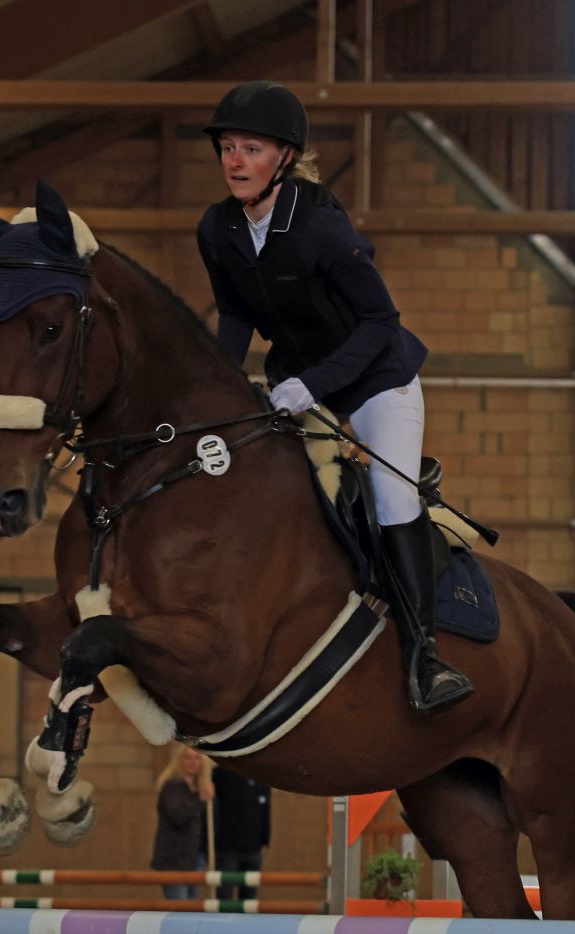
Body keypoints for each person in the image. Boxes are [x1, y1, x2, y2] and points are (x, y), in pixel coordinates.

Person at [196, 81, 472, 715]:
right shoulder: (218, 228)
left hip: (376, 379)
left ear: (285, 158)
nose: (235, 161)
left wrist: (314, 385)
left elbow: (380, 320)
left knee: (393, 497)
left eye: (252, 149)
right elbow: (235, 315)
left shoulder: (320, 225)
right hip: (297, 383)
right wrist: (215, 385)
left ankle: (425, 656)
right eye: (229, 148)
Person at [151, 745, 216, 934]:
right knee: (179, 909)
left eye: (196, 758)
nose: (192, 762)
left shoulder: (200, 788)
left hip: (194, 859)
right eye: (187, 758)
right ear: (179, 761)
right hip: (174, 860)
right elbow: (178, 816)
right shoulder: (172, 787)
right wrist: (201, 801)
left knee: (189, 909)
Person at [209, 763, 272, 934]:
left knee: (248, 904)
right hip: (227, 848)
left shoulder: (262, 775)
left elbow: (265, 808)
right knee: (225, 902)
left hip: (253, 848)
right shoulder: (221, 773)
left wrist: (264, 838)